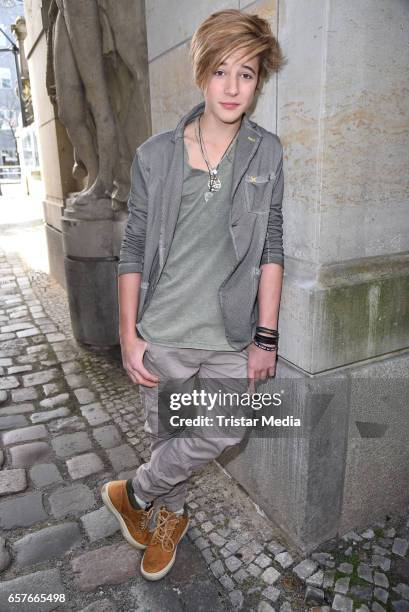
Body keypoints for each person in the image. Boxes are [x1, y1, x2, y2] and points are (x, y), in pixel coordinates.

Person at [101, 9, 285, 581]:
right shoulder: (155, 155)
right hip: (166, 333)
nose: (233, 87)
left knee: (227, 427)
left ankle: (134, 492)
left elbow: (272, 245)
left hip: (231, 334)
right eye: (222, 71)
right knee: (170, 437)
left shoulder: (267, 152)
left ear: (259, 81)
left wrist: (266, 336)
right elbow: (132, 247)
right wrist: (129, 336)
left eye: (247, 74)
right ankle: (168, 518)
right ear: (202, 73)